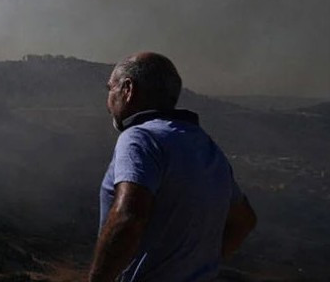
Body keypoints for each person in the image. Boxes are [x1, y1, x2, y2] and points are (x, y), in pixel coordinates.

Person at [89, 52, 258, 282]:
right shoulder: (203, 143)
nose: (108, 101)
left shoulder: (139, 137)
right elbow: (244, 220)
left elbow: (128, 217)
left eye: (110, 88)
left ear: (128, 90)